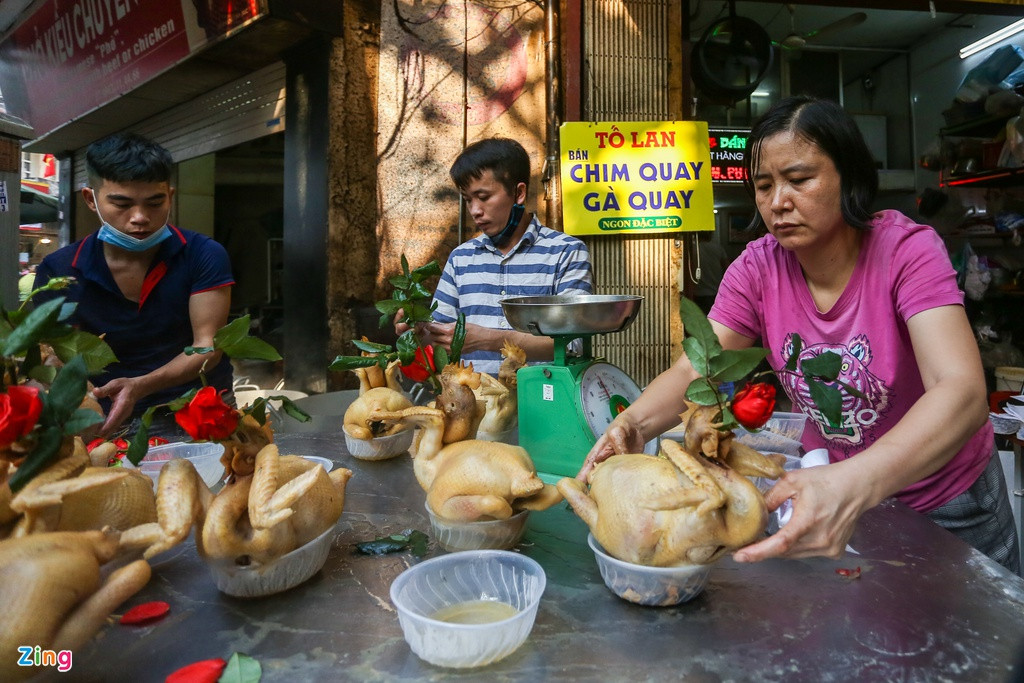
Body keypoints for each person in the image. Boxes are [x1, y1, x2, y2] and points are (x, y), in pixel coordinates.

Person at [580, 95, 1019, 573]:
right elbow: (696, 370)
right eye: (763, 185)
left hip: (948, 497)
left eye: (799, 179)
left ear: (849, 176)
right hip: (835, 488)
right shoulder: (757, 269)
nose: (778, 202)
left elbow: (961, 391)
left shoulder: (906, 252)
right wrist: (633, 425)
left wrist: (854, 482)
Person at [34, 133, 235, 438]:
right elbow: (59, 357)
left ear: (170, 196)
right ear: (90, 199)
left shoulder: (203, 254)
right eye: (122, 204)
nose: (140, 218)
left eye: (155, 203)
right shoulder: (59, 270)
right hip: (109, 417)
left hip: (200, 410)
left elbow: (207, 347)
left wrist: (139, 386)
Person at [399, 137, 593, 376]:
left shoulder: (566, 252)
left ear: (518, 193)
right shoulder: (460, 259)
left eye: (483, 197)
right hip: (473, 399)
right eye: (468, 200)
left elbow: (574, 344)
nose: (475, 211)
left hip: (543, 397)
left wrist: (489, 340)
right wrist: (419, 331)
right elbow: (440, 338)